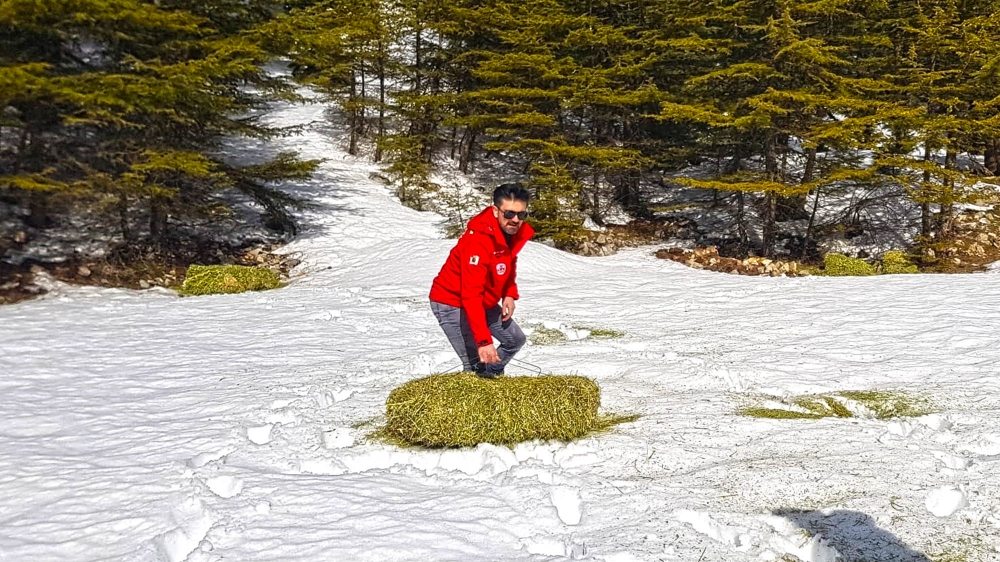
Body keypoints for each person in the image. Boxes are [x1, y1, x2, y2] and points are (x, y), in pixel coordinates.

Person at [429, 183, 534, 378]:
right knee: (475, 364)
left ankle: (489, 380)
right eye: (509, 214)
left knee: (515, 340)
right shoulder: (478, 241)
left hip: (482, 300)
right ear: (496, 211)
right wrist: (484, 342)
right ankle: (479, 383)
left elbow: (508, 262)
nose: (516, 220)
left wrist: (509, 293)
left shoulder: (512, 233)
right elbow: (470, 295)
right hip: (451, 302)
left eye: (522, 215)